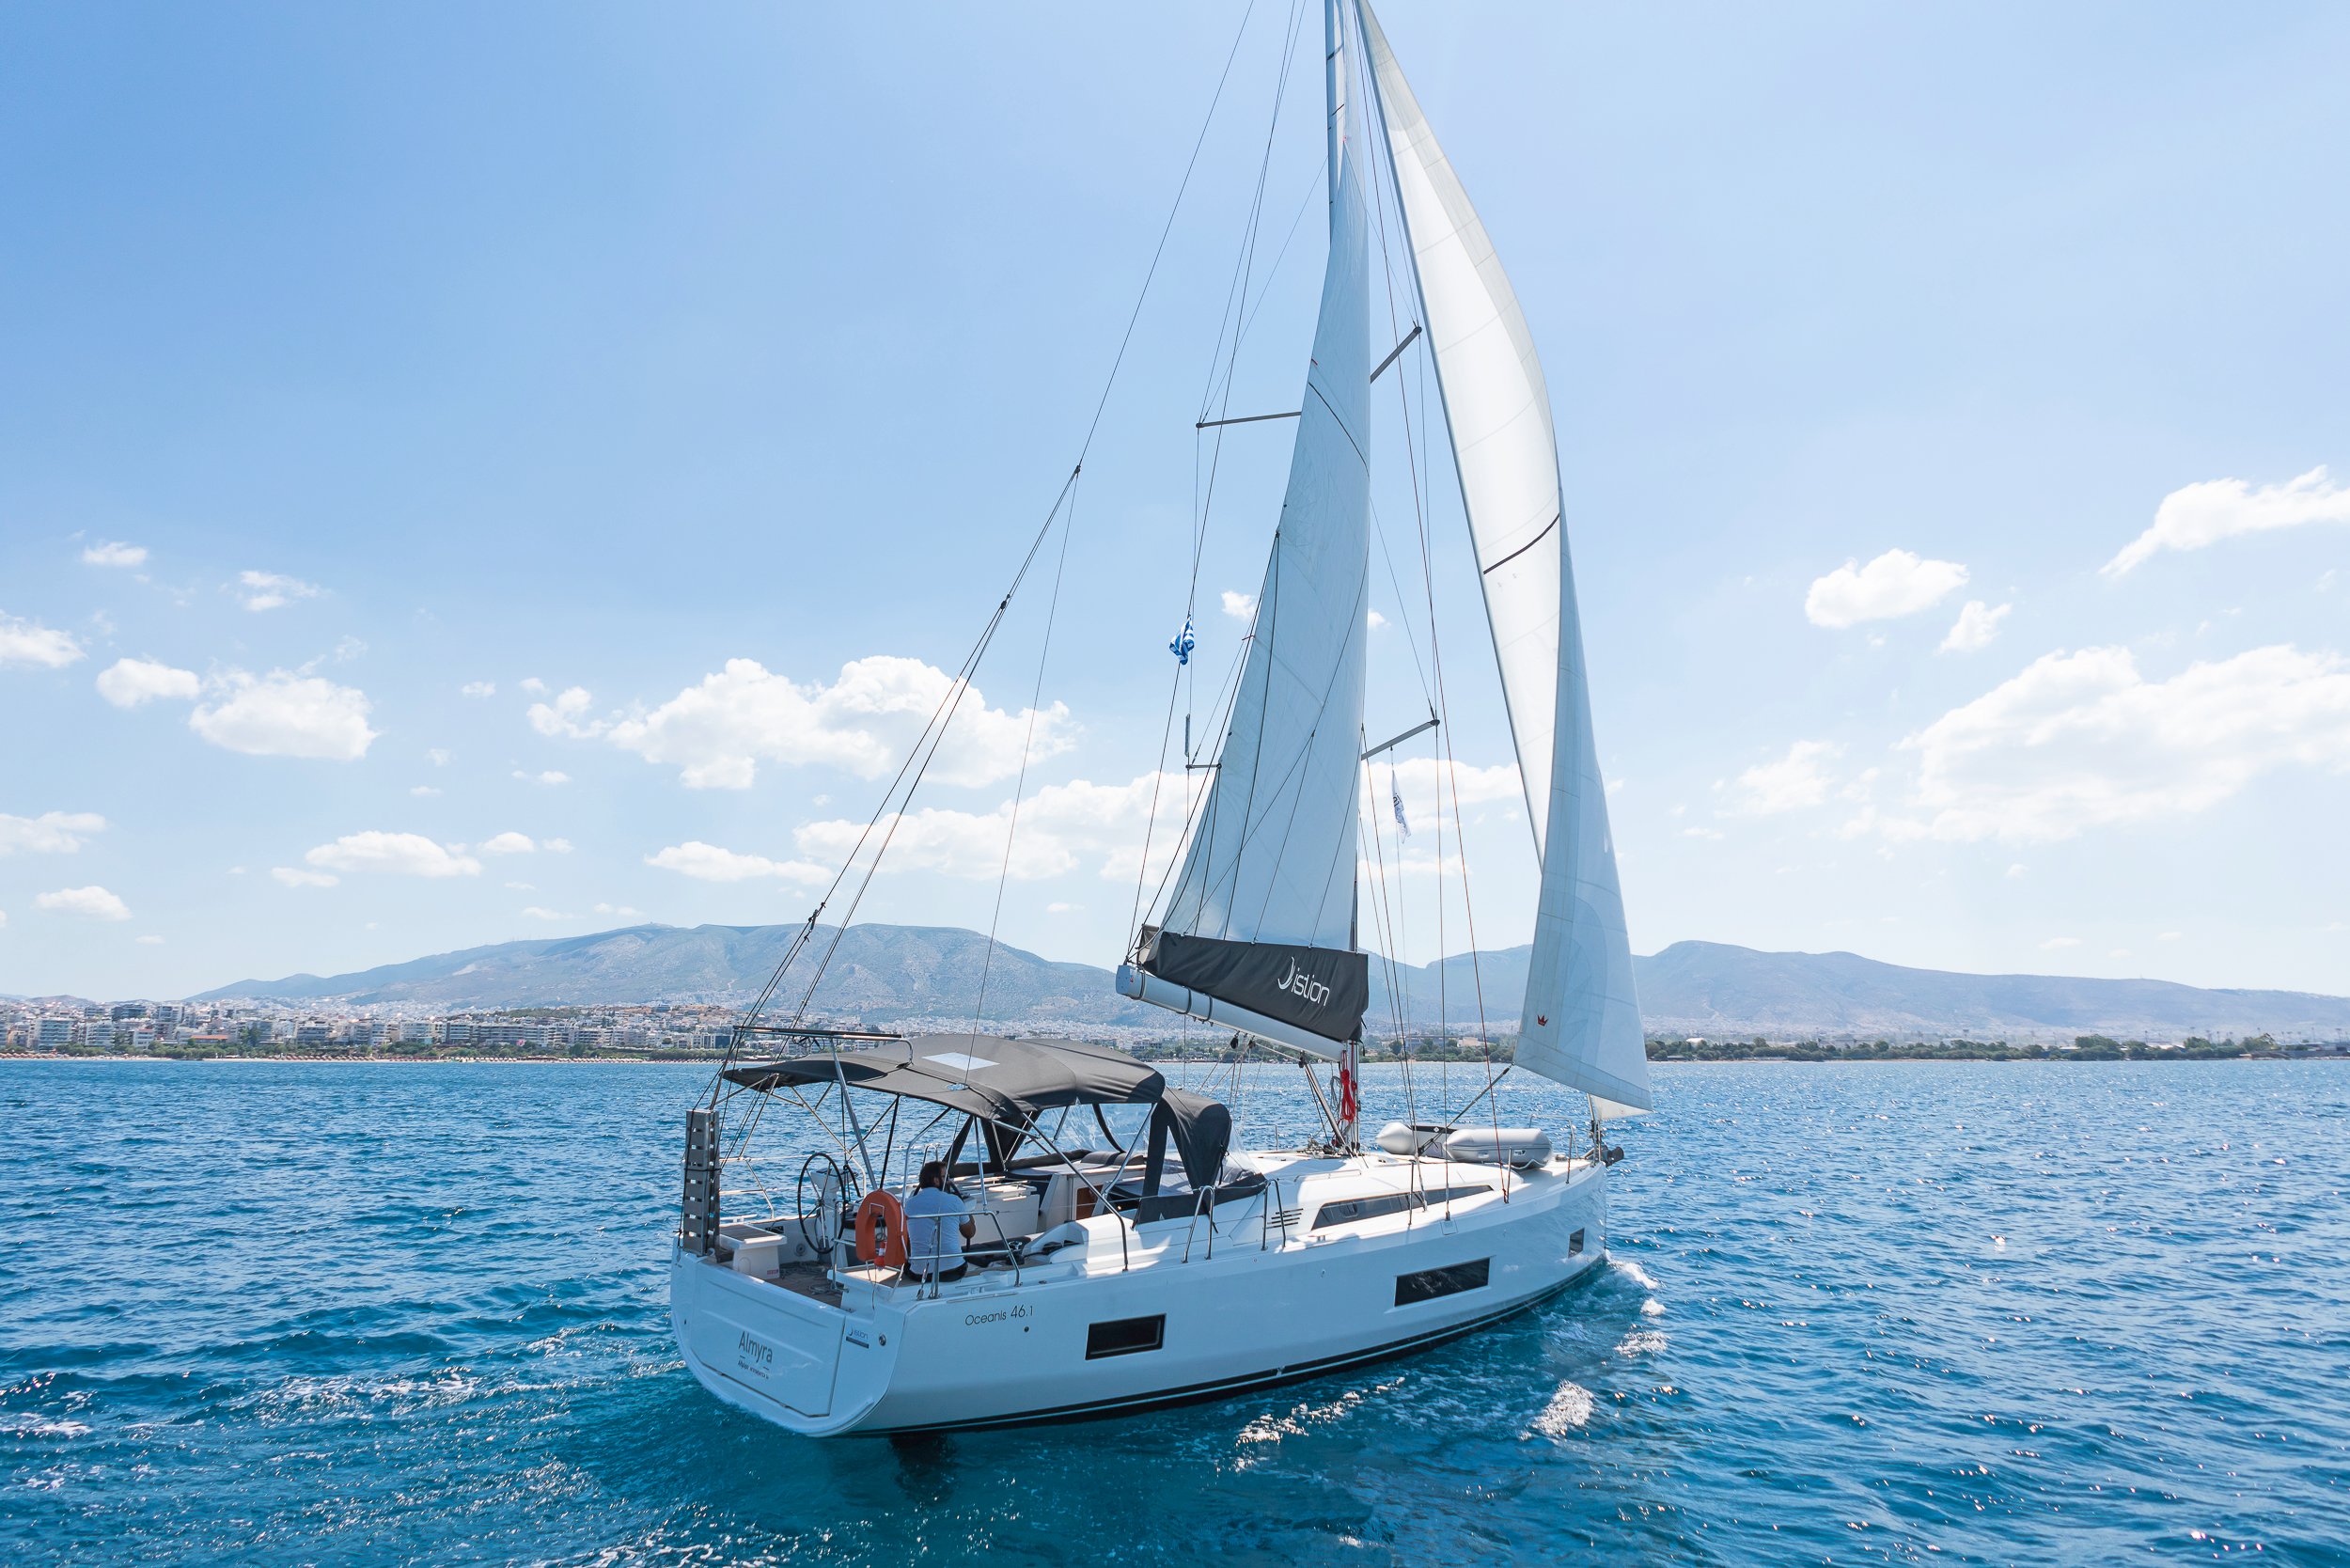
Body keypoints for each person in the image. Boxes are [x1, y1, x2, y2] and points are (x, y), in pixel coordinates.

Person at [901, 1159, 976, 1282]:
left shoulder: (909, 1204)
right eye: (945, 1177)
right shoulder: (955, 1201)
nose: (949, 1181)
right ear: (936, 1180)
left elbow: (909, 1240)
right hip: (953, 1271)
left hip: (920, 1274)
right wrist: (966, 1210)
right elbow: (970, 1233)